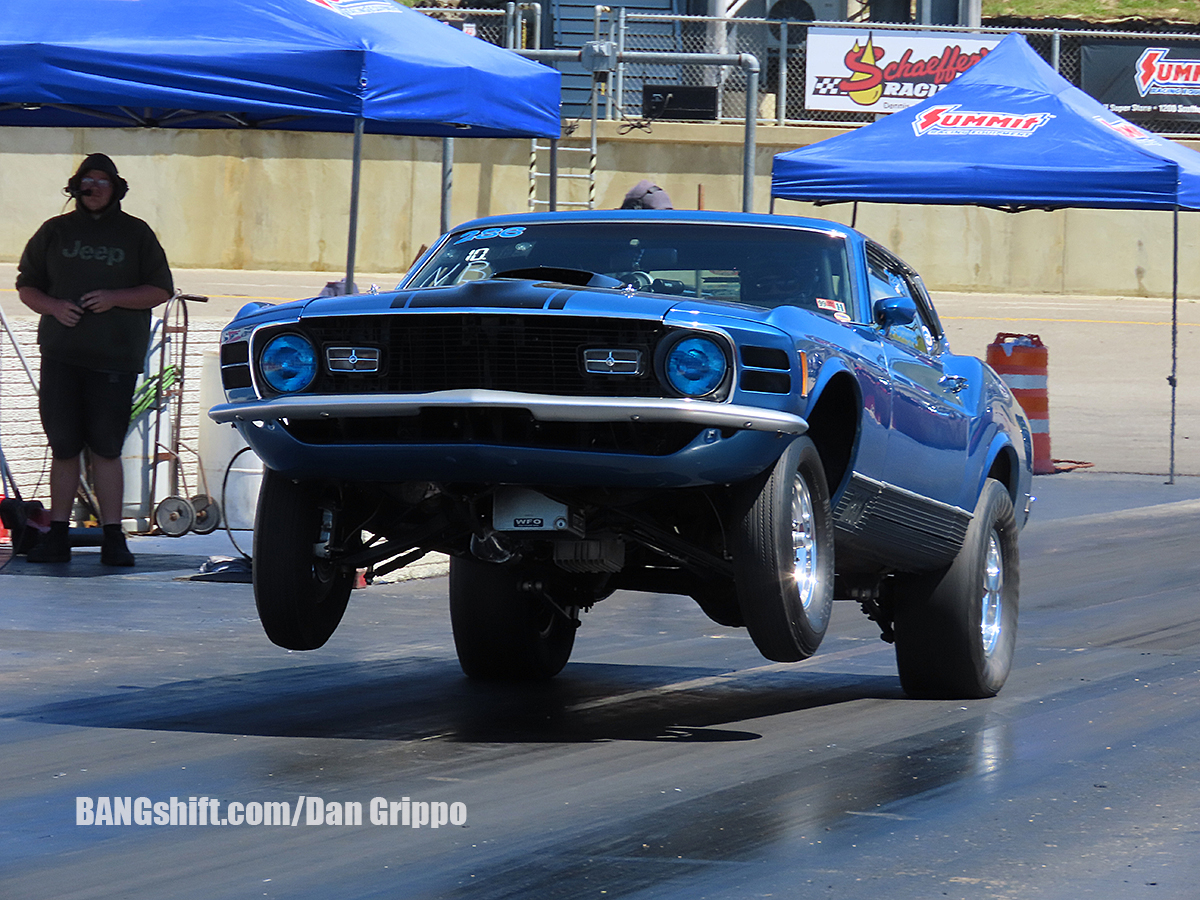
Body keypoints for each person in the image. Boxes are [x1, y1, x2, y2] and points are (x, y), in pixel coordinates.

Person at [16, 153, 174, 566]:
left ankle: (113, 537)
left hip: (114, 360)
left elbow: (160, 290)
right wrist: (52, 306)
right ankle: (56, 535)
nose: (95, 187)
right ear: (76, 186)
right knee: (64, 446)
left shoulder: (136, 234)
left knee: (106, 448)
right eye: (88, 180)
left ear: (116, 188)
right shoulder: (54, 232)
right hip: (62, 356)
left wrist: (114, 298)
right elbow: (27, 286)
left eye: (103, 181)